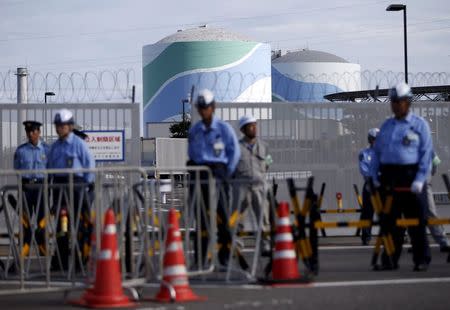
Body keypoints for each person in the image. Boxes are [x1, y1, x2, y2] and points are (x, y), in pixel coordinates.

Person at [371, 82, 432, 271]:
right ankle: (390, 259)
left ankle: (421, 259)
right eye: (394, 101)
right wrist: (374, 176)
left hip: (411, 177)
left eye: (400, 101)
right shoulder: (387, 126)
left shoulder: (419, 126)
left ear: (409, 102)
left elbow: (426, 154)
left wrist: (420, 179)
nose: (396, 105)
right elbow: (376, 154)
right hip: (389, 178)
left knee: (417, 222)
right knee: (390, 223)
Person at [187, 89, 240, 267]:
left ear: (213, 107)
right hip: (201, 175)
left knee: (223, 217)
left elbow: (234, 152)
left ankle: (225, 256)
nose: (203, 111)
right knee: (201, 218)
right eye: (200, 107)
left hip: (220, 174)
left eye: (207, 107)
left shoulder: (224, 129)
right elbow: (192, 153)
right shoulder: (195, 130)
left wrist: (227, 172)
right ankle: (201, 258)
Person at [47, 109, 95, 270]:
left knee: (80, 225)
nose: (59, 128)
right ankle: (60, 261)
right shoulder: (54, 147)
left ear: (70, 126)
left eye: (62, 125)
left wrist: (85, 187)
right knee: (62, 227)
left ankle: (81, 260)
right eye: (57, 125)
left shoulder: (78, 144)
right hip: (59, 187)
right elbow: (49, 169)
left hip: (77, 187)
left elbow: (89, 166)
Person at [233, 115, 272, 254]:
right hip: (241, 186)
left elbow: (268, 162)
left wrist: (260, 173)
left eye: (255, 125)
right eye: (250, 126)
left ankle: (265, 245)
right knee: (237, 216)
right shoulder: (237, 147)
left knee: (263, 216)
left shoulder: (264, 146)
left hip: (259, 186)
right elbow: (232, 166)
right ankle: (236, 245)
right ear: (243, 129)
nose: (254, 128)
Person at [13, 121, 50, 256]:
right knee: (25, 220)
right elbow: (17, 168)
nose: (30, 134)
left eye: (33, 131)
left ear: (39, 132)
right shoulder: (21, 151)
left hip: (41, 187)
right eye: (28, 132)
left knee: (42, 220)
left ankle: (43, 250)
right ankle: (24, 249)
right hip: (26, 187)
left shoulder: (47, 150)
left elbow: (51, 169)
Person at [424, 152, 450, 252]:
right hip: (416, 184)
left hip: (423, 183)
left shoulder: (427, 146)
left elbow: (435, 162)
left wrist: (429, 175)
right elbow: (435, 164)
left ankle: (443, 241)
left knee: (430, 213)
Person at [358, 128, 379, 245]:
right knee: (367, 212)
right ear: (371, 140)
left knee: (390, 211)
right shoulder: (364, 153)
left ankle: (395, 236)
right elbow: (364, 170)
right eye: (376, 139)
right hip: (370, 185)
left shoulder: (385, 153)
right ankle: (366, 237)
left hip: (383, 185)